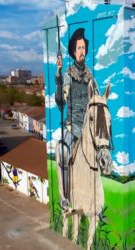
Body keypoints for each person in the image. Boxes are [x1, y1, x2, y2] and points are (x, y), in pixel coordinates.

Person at [55, 28, 97, 208]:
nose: (81, 51)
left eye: (83, 48)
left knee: (101, 153)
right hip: (73, 127)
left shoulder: (90, 77)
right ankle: (65, 198)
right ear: (73, 52)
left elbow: (95, 100)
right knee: (64, 153)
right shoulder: (68, 76)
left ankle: (96, 200)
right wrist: (57, 75)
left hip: (88, 128)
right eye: (78, 48)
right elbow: (59, 101)